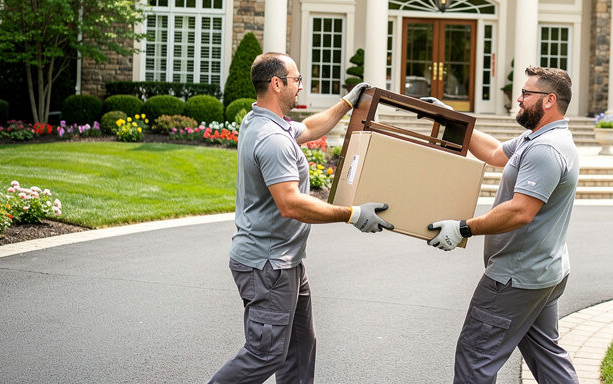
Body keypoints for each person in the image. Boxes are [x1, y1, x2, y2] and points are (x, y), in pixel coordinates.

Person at [209, 52, 392, 384]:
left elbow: (308, 127)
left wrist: (347, 103)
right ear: (277, 84)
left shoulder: (261, 120)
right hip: (268, 265)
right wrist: (352, 214)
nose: (301, 87)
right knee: (264, 354)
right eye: (297, 80)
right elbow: (290, 204)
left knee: (298, 351)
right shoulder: (273, 139)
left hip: (285, 262)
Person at [424, 66, 579, 384]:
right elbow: (495, 154)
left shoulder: (546, 149)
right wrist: (451, 117)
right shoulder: (540, 137)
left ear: (549, 100)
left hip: (514, 279)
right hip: (543, 273)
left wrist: (463, 228)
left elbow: (520, 211)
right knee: (547, 356)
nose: (518, 99)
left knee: (475, 358)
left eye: (526, 94)